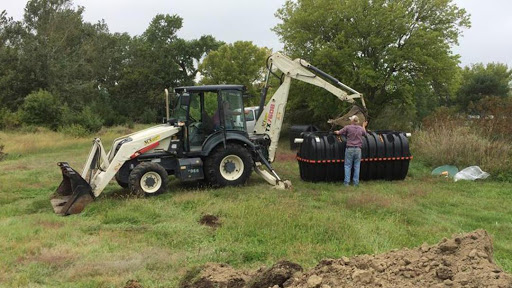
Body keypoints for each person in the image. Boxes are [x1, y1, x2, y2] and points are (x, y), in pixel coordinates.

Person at [334, 115, 368, 186]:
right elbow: (365, 133)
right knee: (357, 166)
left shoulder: (348, 127)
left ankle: (346, 183)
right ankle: (356, 183)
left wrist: (336, 132)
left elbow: (339, 132)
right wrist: (364, 126)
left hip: (350, 148)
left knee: (347, 165)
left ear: (352, 121)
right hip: (358, 149)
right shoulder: (360, 128)